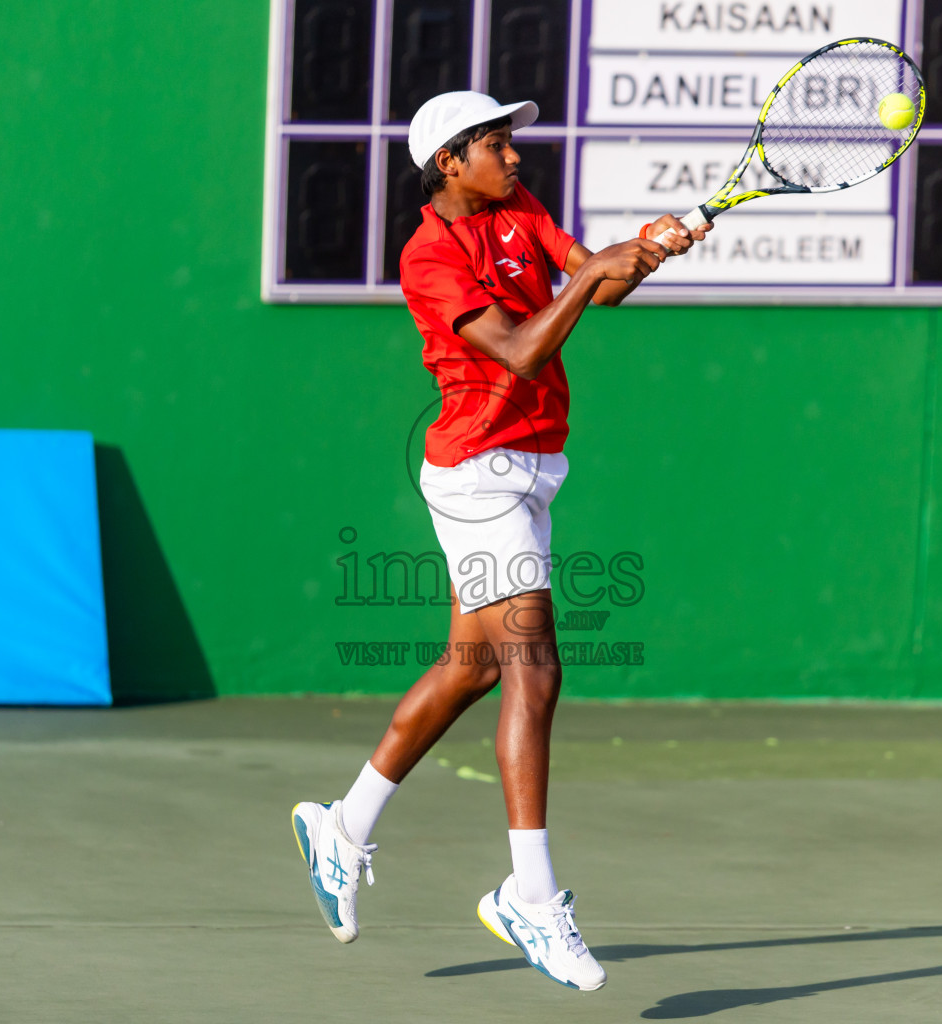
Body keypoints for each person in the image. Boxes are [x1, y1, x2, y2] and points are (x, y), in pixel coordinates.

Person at [291, 90, 708, 992]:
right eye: (495, 143)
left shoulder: (519, 210)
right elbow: (520, 348)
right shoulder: (428, 257)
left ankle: (344, 826)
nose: (514, 156)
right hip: (478, 472)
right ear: (449, 161)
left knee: (473, 669)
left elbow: (593, 278)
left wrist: (645, 252)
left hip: (534, 464)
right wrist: (597, 272)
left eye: (510, 141)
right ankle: (531, 896)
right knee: (536, 667)